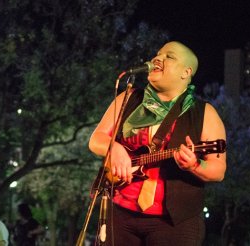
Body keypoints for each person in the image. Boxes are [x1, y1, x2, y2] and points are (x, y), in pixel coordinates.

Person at [88, 41, 226, 245]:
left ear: (186, 72)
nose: (157, 59)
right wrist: (114, 148)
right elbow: (96, 139)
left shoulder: (204, 113)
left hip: (175, 223)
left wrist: (195, 165)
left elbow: (218, 169)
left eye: (169, 56)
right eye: (157, 54)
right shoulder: (128, 97)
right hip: (120, 213)